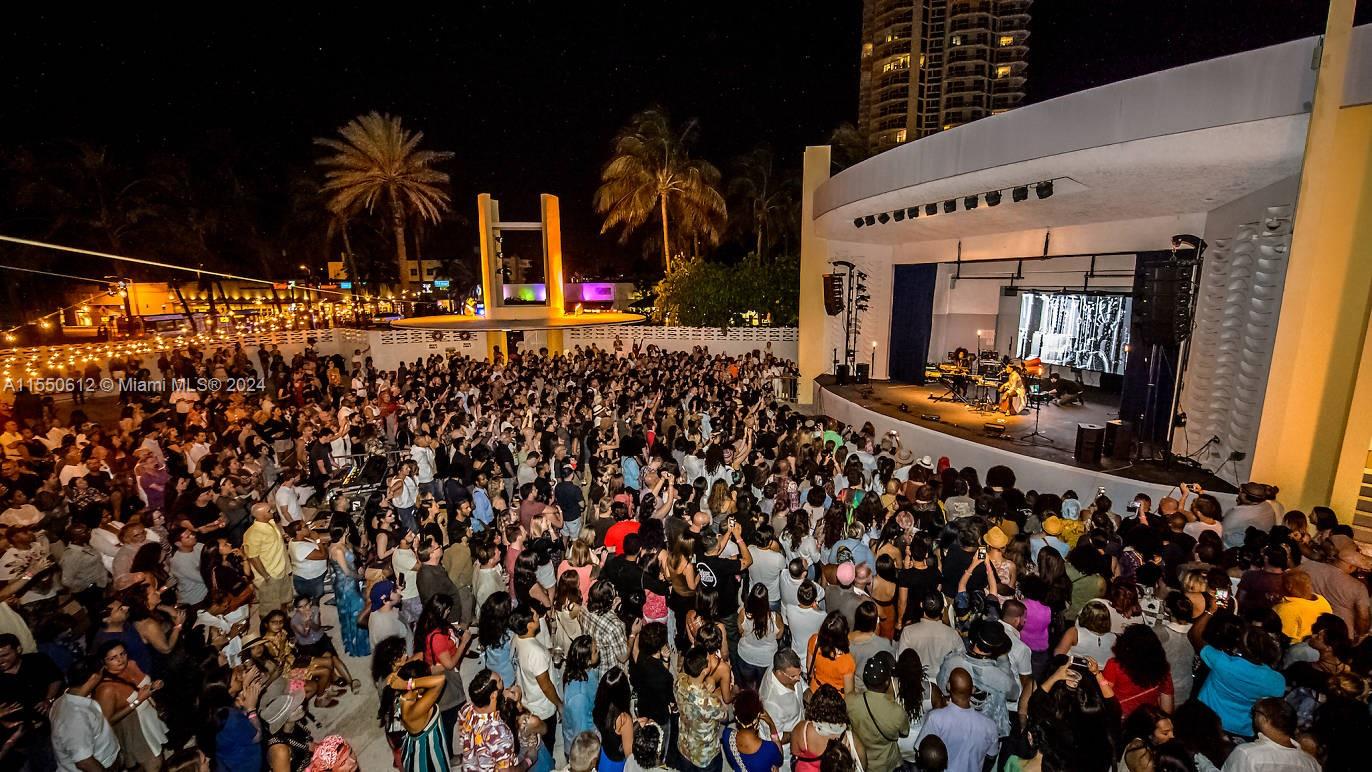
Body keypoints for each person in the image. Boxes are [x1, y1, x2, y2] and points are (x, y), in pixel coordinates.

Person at [916, 668, 997, 772]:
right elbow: (991, 757)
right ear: (973, 690)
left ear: (948, 687)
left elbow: (922, 752)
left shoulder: (935, 718)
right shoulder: (989, 725)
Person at [49, 658, 120, 772]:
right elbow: (84, 762)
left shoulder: (64, 699)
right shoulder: (75, 717)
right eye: (102, 672)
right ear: (93, 677)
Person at [844, 652, 910, 772]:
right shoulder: (897, 712)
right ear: (887, 682)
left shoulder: (850, 702)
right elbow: (905, 732)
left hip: (862, 762)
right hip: (887, 764)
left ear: (864, 679)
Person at [385, 661, 451, 772]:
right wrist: (408, 684)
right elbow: (440, 680)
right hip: (428, 758)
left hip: (413, 749)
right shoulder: (414, 711)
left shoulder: (400, 698)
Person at [1220, 698, 1319, 772]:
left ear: (1264, 719)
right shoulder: (1312, 764)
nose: (1253, 716)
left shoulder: (1247, 754)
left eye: (1255, 713)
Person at [676, 645, 729, 772]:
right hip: (704, 756)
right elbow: (725, 717)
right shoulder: (710, 702)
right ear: (704, 671)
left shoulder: (679, 681)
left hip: (684, 747)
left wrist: (706, 681)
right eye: (709, 660)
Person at [790, 685, 863, 772]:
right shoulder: (851, 740)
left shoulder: (802, 729)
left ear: (813, 706)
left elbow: (794, 753)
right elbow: (862, 765)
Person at [242, 502, 292, 612]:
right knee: (271, 609)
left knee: (284, 600)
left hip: (282, 570)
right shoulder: (252, 534)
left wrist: (283, 537)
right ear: (261, 515)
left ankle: (284, 620)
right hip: (270, 575)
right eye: (269, 511)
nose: (273, 512)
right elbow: (253, 558)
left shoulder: (271, 522)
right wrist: (267, 576)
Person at [721, 688, 783, 772]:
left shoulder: (727, 735)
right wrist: (771, 724)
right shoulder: (769, 749)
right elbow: (779, 760)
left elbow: (732, 762)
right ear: (758, 717)